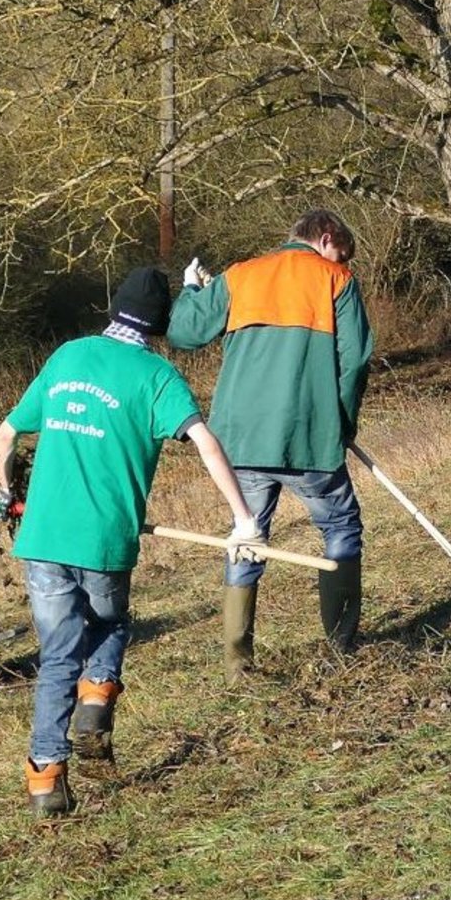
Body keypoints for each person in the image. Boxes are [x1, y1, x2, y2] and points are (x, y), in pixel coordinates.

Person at [0, 267, 261, 819]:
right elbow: (205, 444)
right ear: (160, 325)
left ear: (113, 310)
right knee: (109, 624)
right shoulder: (157, 377)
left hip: (41, 539)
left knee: (58, 654)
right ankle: (95, 699)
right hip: (105, 540)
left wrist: (3, 489)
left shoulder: (67, 357)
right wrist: (243, 518)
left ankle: (45, 778)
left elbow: (9, 433)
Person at [166, 209, 374, 679]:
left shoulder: (241, 276)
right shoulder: (335, 281)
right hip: (309, 438)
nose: (346, 264)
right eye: (343, 254)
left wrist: (194, 290)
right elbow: (355, 360)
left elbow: (183, 331)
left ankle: (237, 663)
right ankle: (341, 646)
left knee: (247, 537)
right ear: (325, 239)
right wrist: (342, 423)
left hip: (239, 441)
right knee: (340, 529)